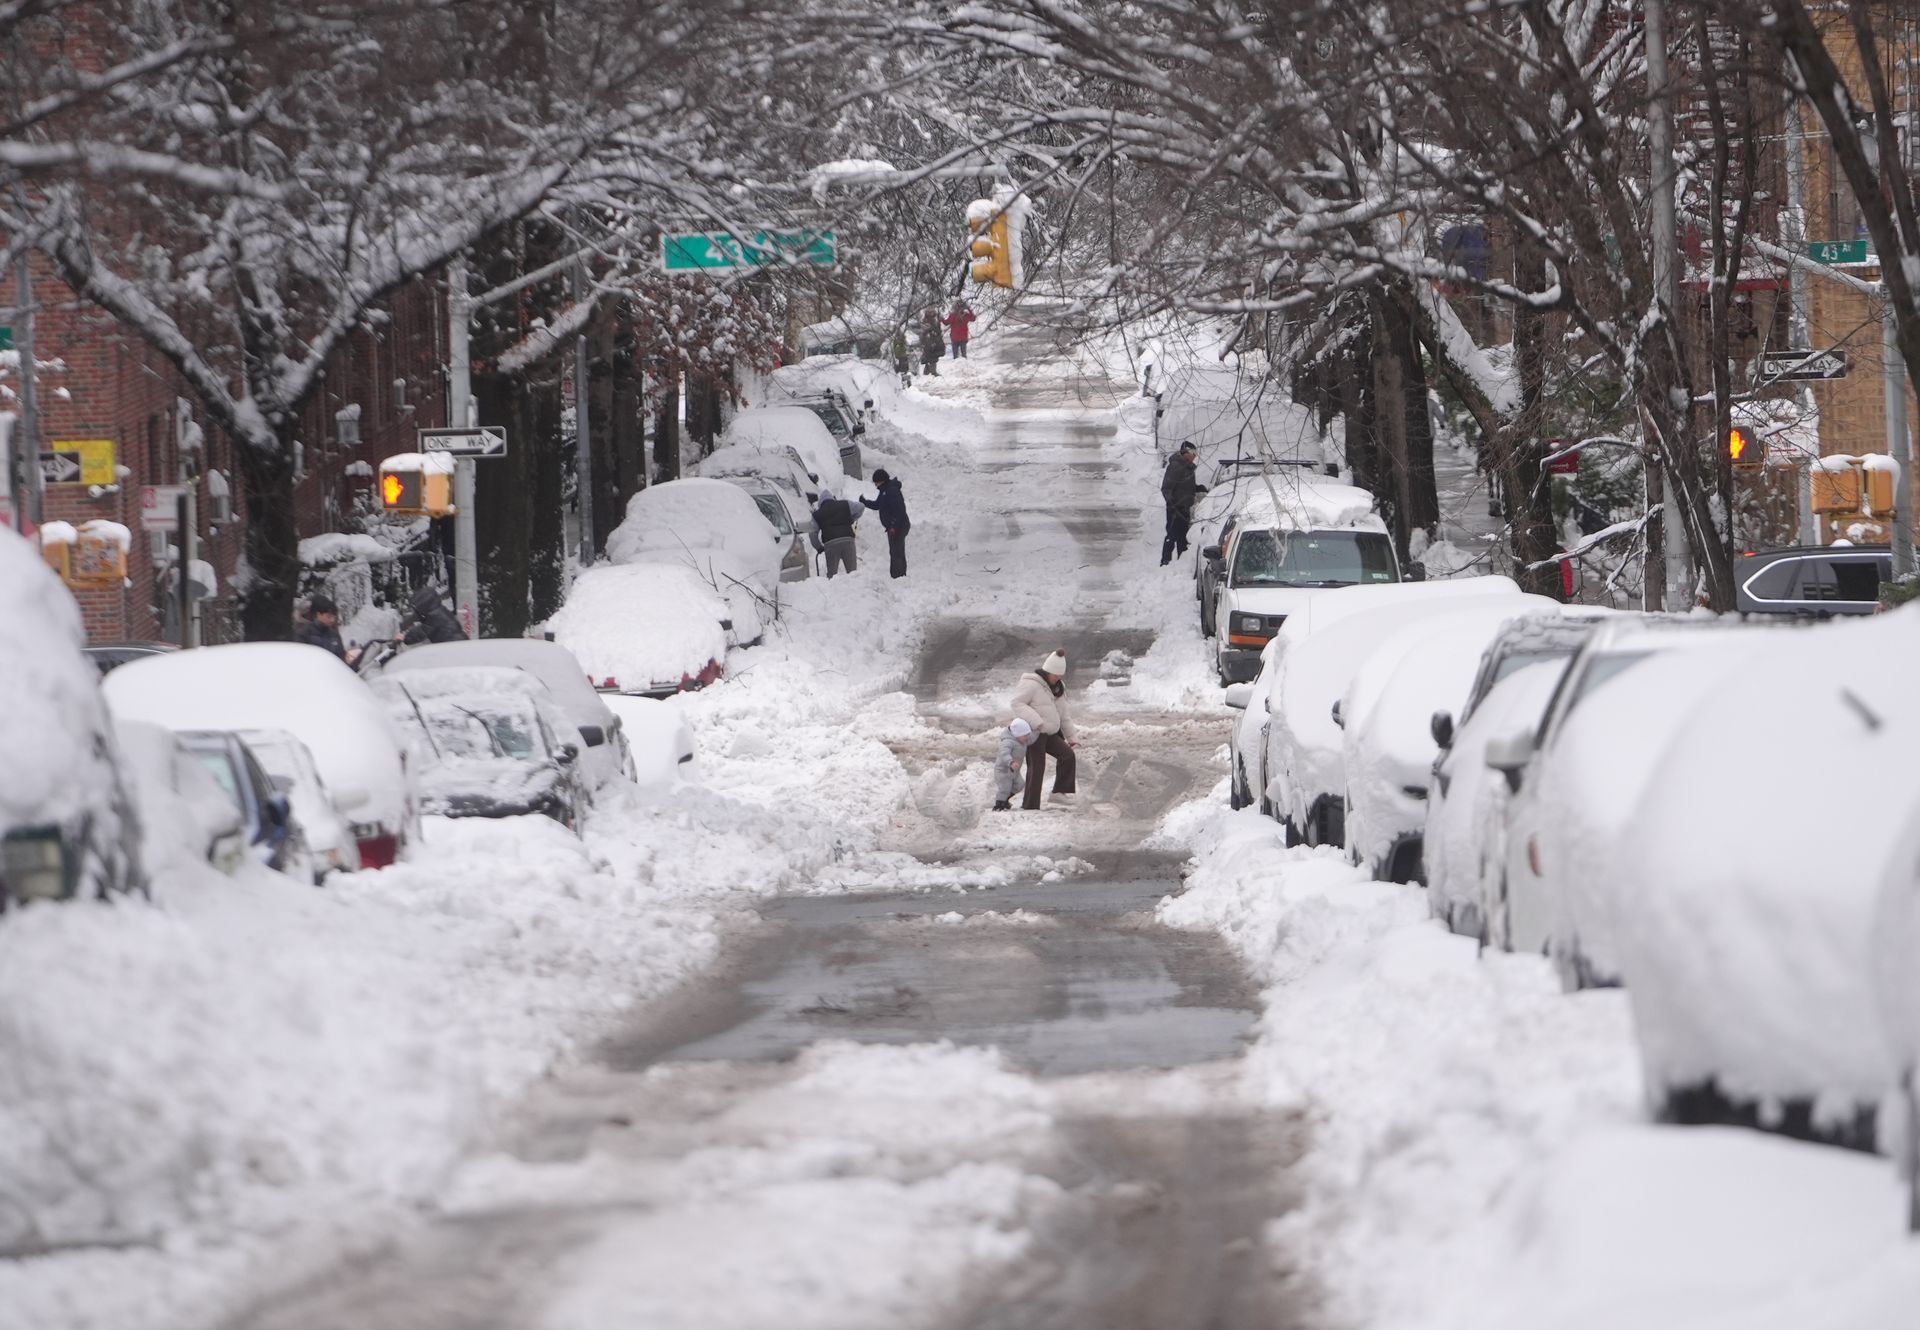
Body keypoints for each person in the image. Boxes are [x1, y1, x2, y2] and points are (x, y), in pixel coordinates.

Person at [1009, 649, 1077, 810]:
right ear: (1047, 671)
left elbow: (1064, 714)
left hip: (1051, 733)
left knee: (1067, 755)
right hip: (1033, 733)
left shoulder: (1059, 688)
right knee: (1037, 768)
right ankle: (1030, 806)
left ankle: (1059, 793)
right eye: (1055, 675)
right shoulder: (1031, 684)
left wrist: (1071, 736)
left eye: (1060, 675)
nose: (1058, 678)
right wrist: (1036, 722)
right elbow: (1016, 703)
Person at [1159, 440, 1208, 566]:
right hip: (1175, 508)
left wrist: (1198, 488)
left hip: (1185, 508)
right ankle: (1165, 562)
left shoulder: (1187, 467)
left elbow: (1185, 486)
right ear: (1185, 452)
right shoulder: (1176, 467)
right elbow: (1166, 488)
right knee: (1172, 535)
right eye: (1193, 453)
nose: (1195, 456)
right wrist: (1172, 504)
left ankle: (1181, 564)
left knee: (1183, 537)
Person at [861, 468, 911, 578]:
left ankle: (897, 576)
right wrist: (865, 502)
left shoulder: (891, 491)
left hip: (898, 526)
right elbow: (877, 505)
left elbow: (900, 511)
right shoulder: (884, 491)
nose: (875, 485)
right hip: (894, 526)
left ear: (882, 480)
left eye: (876, 482)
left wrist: (894, 526)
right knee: (897, 551)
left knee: (896, 552)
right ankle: (900, 575)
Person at [810, 484, 862, 578]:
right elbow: (861, 507)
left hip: (830, 544)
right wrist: (852, 519)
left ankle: (832, 590)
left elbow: (812, 534)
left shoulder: (817, 514)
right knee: (852, 573)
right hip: (848, 540)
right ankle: (855, 589)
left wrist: (819, 547)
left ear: (820, 503)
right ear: (833, 499)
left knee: (832, 575)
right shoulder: (845, 504)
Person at [991, 717, 1036, 811]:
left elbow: (1032, 739)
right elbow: (1004, 754)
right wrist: (1010, 762)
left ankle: (1005, 799)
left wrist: (1038, 730)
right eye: (1025, 735)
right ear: (1017, 734)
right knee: (1005, 788)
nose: (1027, 737)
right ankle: (999, 805)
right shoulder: (1007, 742)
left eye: (1028, 734)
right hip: (1003, 771)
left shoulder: (1023, 740)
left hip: (1014, 771)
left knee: (1020, 784)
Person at [297, 593, 348, 661]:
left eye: (334, 617)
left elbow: (342, 658)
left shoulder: (335, 635)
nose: (332, 620)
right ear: (318, 614)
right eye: (328, 616)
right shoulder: (305, 632)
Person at [918, 308, 943, 376]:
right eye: (929, 312)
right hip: (927, 340)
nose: (931, 314)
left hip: (935, 340)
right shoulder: (924, 320)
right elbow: (924, 330)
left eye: (932, 312)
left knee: (934, 356)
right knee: (928, 355)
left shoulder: (935, 320)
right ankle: (928, 370)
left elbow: (938, 330)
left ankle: (933, 371)